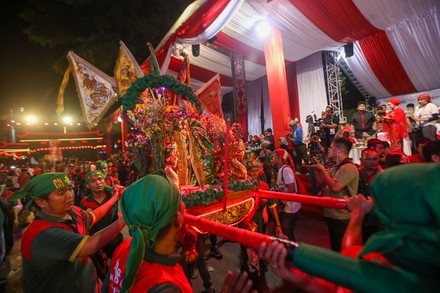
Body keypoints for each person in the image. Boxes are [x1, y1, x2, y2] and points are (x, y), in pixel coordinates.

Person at [259, 164, 440, 292]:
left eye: (378, 198)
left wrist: (358, 214)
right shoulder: (421, 252)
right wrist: (301, 279)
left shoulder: (387, 261)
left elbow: (351, 260)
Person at [103, 171, 253, 292]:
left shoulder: (127, 246)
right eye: (180, 201)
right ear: (177, 216)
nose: (183, 204)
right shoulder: (164, 285)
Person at [8, 172, 125, 292]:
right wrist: (126, 217)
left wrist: (115, 197)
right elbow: (92, 244)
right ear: (41, 202)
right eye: (61, 193)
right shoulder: (42, 234)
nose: (70, 195)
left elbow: (93, 216)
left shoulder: (71, 212)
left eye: (70, 189)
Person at [309, 138, 359, 252]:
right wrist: (317, 171)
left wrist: (322, 170)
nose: (329, 150)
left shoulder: (349, 167)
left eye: (331, 148)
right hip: (333, 214)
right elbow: (322, 184)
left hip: (342, 216)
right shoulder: (336, 167)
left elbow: (335, 187)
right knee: (335, 246)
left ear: (339, 150)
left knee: (341, 249)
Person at [80, 170, 123, 259]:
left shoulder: (112, 196)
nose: (98, 183)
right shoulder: (85, 202)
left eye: (100, 179)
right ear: (88, 185)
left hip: (115, 240)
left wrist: (113, 188)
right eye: (93, 181)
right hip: (96, 244)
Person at [273, 149, 301, 242]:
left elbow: (291, 188)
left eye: (275, 156)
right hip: (288, 206)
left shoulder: (286, 170)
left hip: (290, 207)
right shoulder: (281, 170)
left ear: (280, 158)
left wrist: (282, 202)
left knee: (287, 233)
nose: (273, 158)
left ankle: (293, 253)